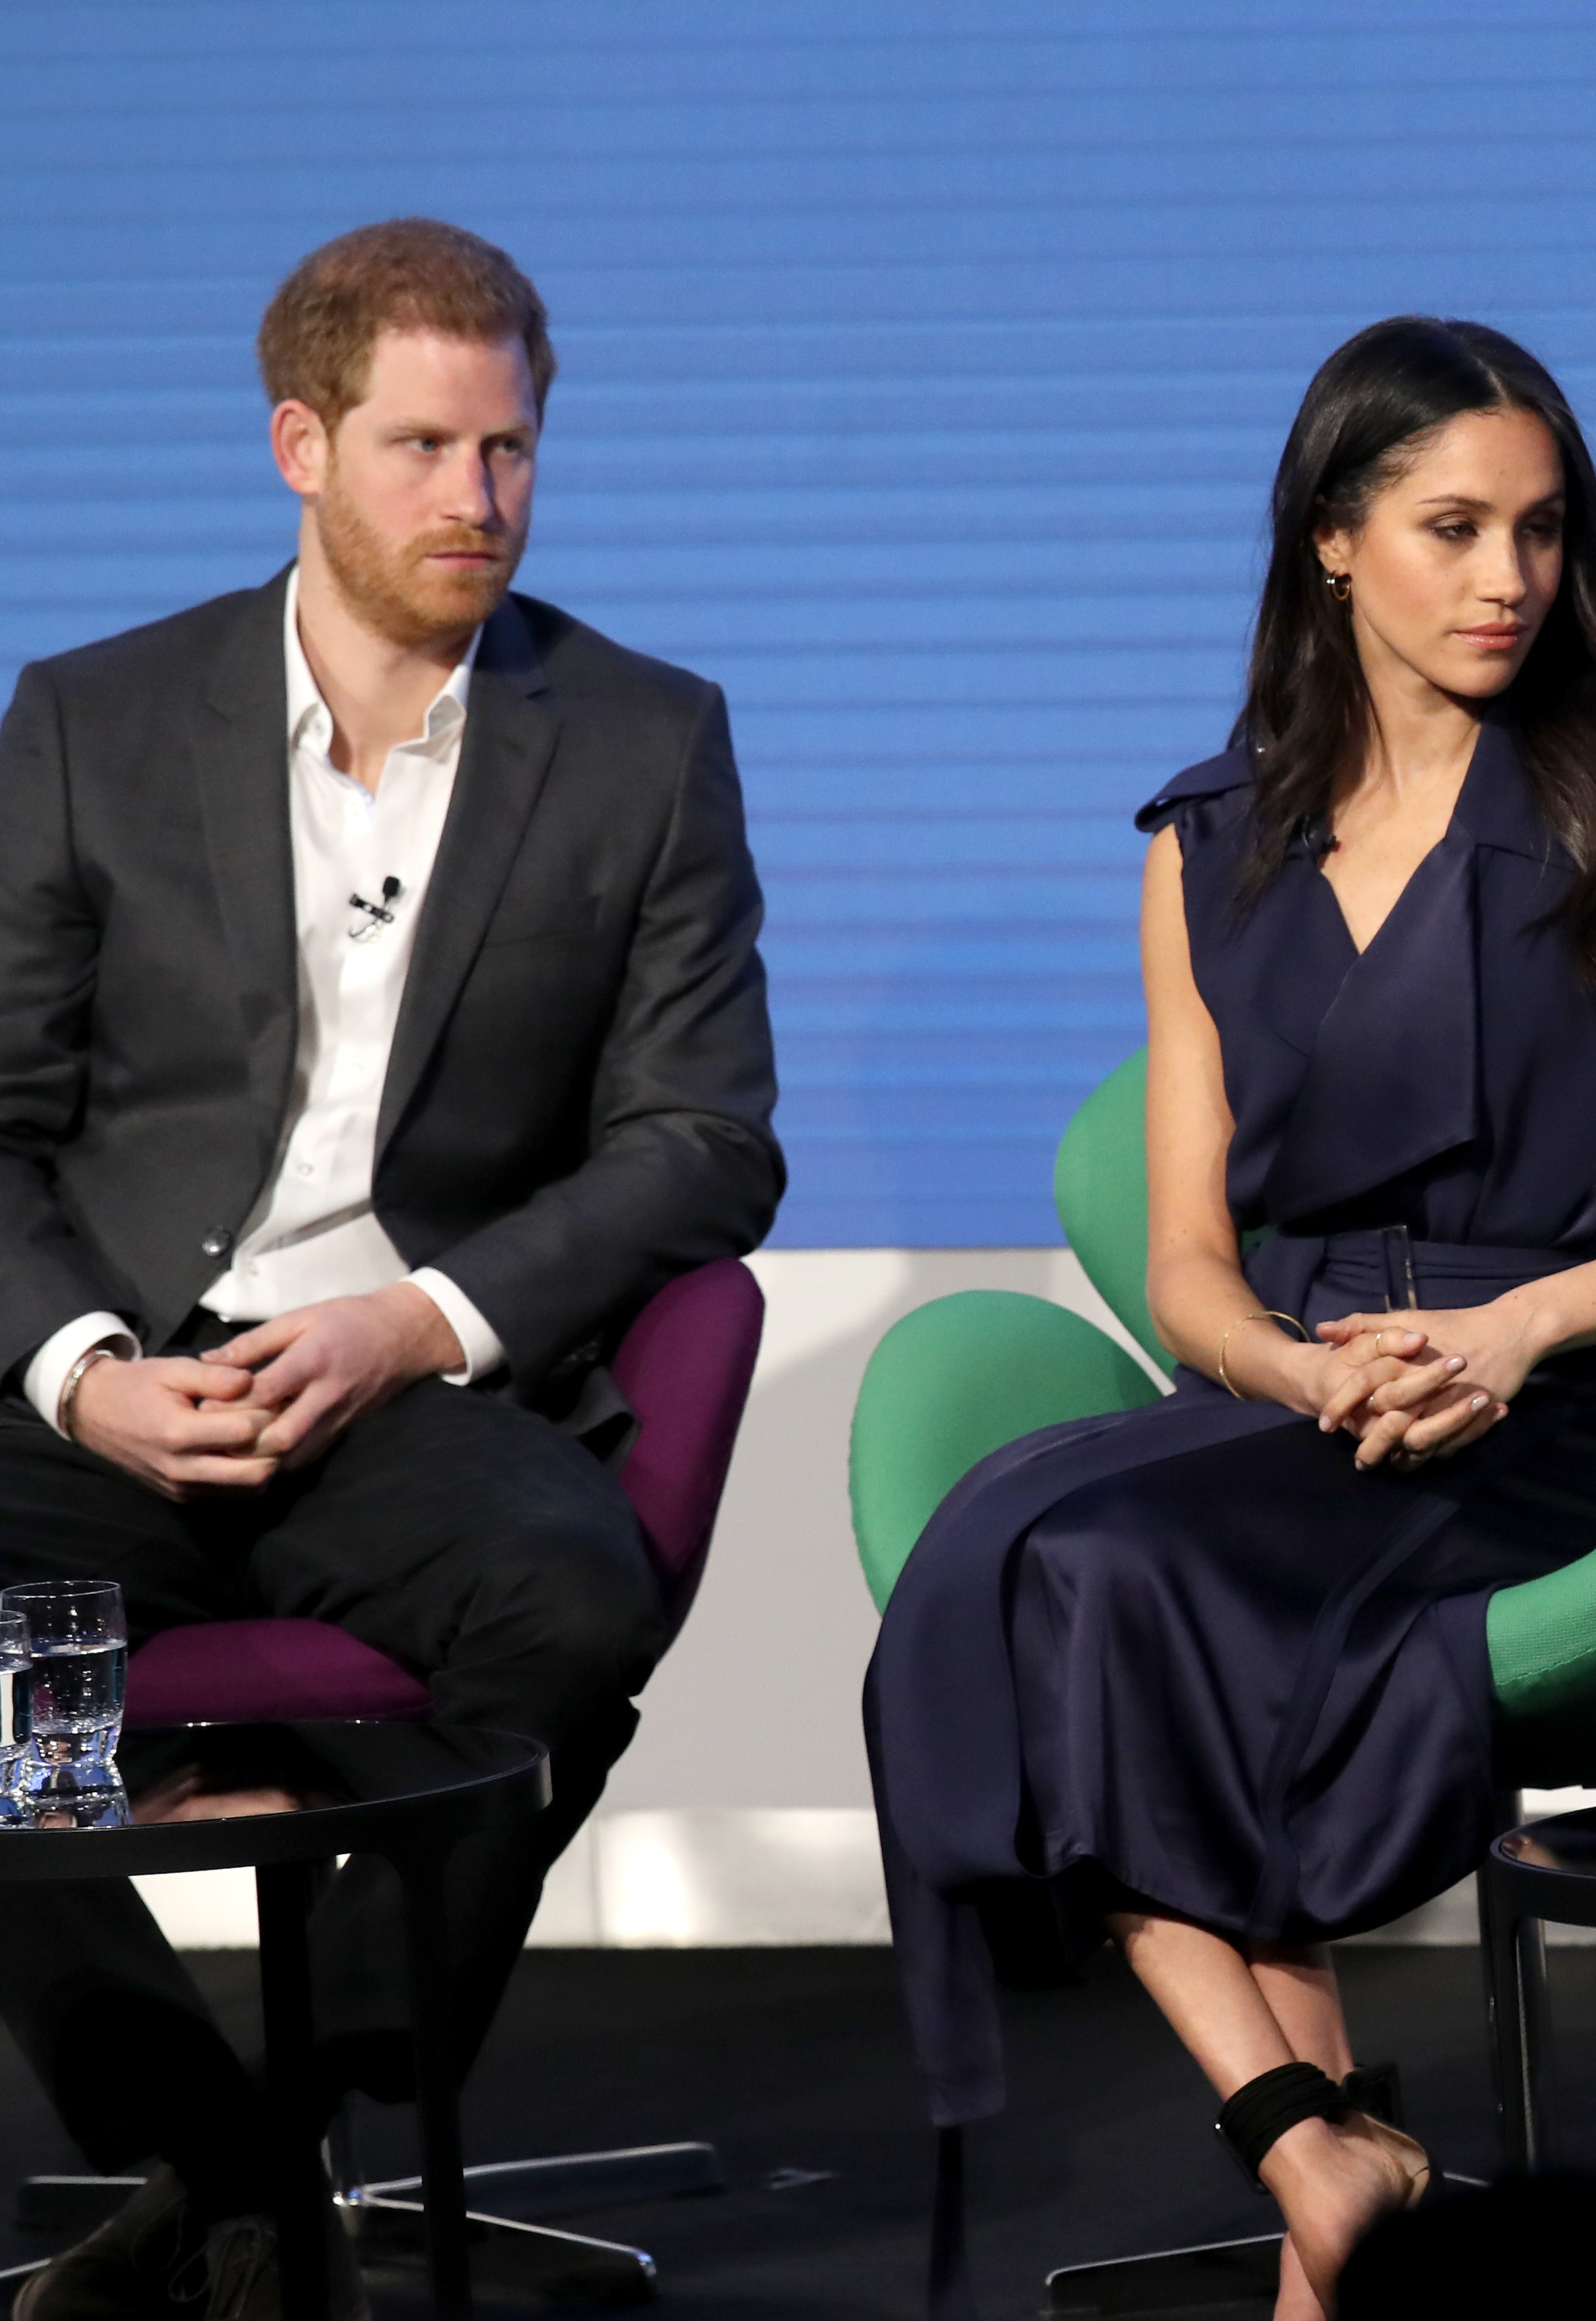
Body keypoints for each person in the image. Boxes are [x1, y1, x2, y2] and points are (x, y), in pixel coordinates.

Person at [865, 316, 1596, 2321]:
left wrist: (1522, 1334)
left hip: (1574, 1403)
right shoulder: (1200, 849)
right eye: (1451, 527)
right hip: (1306, 1394)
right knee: (1003, 1553)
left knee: (1111, 1571)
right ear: (1334, 541)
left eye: (1540, 528)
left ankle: (1319, 2170)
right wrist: (1300, 1367)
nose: (1509, 576)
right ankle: (1313, 2137)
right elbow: (1184, 1269)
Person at [0, 218, 782, 2318]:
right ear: (299, 444)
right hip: (125, 1384)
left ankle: (295, 2122)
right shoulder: (89, 720)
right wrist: (80, 1365)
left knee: (571, 1590)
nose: (478, 500)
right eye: (426, 448)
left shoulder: (643, 736)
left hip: (412, 1393)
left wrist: (408, 1322)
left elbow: (707, 1139)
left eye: (512, 449)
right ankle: (220, 2149)